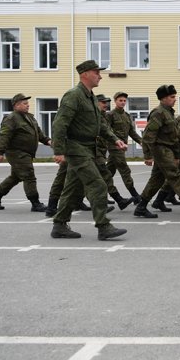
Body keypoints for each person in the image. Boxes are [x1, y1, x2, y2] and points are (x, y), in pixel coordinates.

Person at [50, 60, 128, 240]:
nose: (100, 76)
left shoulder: (91, 96)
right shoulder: (73, 95)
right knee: (98, 184)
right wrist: (59, 151)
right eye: (96, 72)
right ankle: (103, 226)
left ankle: (59, 225)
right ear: (84, 74)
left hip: (88, 148)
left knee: (73, 189)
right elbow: (60, 124)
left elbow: (100, 124)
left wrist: (115, 139)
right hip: (76, 148)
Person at [133, 84, 180, 220]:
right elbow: (148, 137)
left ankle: (141, 207)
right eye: (172, 97)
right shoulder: (158, 113)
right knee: (176, 175)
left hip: (168, 149)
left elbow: (177, 133)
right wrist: (147, 156)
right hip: (161, 149)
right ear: (164, 99)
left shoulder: (169, 113)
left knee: (157, 179)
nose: (174, 99)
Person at [0, 93, 51, 212]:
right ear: (16, 105)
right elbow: (4, 135)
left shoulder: (29, 117)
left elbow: (39, 133)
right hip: (17, 153)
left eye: (28, 103)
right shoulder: (11, 118)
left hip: (26, 153)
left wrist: (48, 141)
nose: (28, 105)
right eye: (25, 103)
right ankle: (35, 203)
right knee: (29, 176)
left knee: (15, 177)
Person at [96, 94, 134, 211]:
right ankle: (126, 198)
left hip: (104, 148)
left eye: (106, 102)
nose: (105, 105)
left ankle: (96, 201)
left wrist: (140, 141)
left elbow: (107, 131)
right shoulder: (105, 115)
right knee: (107, 174)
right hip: (96, 149)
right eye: (103, 102)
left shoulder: (123, 116)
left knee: (104, 174)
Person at [106, 91, 143, 203]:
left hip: (122, 147)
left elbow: (131, 131)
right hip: (115, 147)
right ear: (115, 101)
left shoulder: (126, 115)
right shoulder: (110, 115)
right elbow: (106, 131)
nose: (122, 102)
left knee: (108, 173)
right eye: (120, 100)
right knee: (125, 170)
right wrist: (115, 142)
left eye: (124, 101)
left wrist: (140, 141)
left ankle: (96, 194)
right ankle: (135, 195)